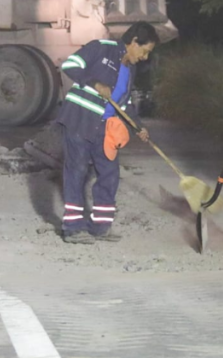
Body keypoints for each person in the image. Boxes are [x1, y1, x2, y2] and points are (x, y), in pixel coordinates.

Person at [56, 22, 159, 244]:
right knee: (77, 170)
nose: (144, 57)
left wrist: (138, 126)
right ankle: (73, 228)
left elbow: (125, 102)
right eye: (145, 51)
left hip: (105, 128)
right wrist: (95, 83)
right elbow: (70, 65)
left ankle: (100, 227)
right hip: (79, 121)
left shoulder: (129, 69)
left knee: (110, 173)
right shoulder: (101, 48)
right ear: (133, 42)